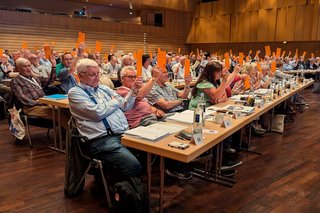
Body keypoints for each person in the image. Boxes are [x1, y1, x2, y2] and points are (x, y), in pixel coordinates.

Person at [68, 58, 142, 178]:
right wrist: (114, 103)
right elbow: (97, 113)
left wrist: (133, 91)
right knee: (133, 166)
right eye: (92, 75)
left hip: (123, 133)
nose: (97, 77)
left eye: (98, 73)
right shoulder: (75, 93)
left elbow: (124, 106)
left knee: (148, 153)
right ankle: (118, 187)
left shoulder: (104, 89)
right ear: (81, 76)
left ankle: (120, 183)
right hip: (102, 140)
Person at [10, 57, 69, 129]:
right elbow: (23, 99)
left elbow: (50, 81)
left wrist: (53, 66)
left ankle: (66, 133)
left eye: (29, 66)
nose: (28, 68)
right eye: (25, 66)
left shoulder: (34, 77)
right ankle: (73, 134)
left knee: (65, 110)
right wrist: (40, 102)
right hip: (31, 107)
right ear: (18, 68)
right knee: (57, 113)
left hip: (44, 103)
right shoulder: (16, 81)